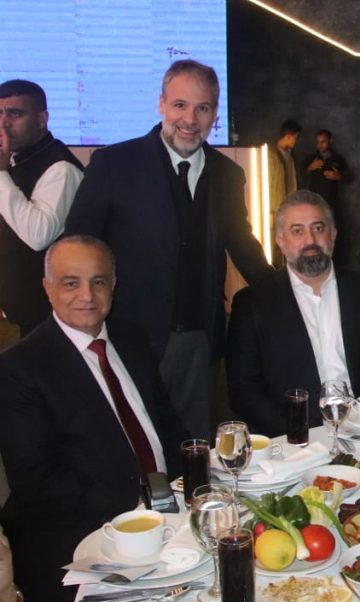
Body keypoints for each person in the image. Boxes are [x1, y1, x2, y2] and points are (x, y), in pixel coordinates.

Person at [65, 59, 273, 439]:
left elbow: (241, 242)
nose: (190, 119)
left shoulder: (228, 174)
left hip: (198, 337)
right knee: (129, 438)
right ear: (161, 103)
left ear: (215, 113)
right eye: (180, 105)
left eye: (202, 107)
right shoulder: (114, 164)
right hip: (127, 331)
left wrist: (282, 290)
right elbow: (79, 243)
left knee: (192, 444)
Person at [0, 236, 187, 602]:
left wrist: (193, 483)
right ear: (47, 287)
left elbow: (167, 426)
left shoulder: (131, 340)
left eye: (98, 281)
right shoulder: (19, 369)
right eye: (71, 282)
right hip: (80, 541)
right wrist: (142, 505)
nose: (86, 295)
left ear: (113, 286)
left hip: (168, 518)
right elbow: (37, 482)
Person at [226, 190, 360, 436]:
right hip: (295, 438)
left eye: (318, 228)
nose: (310, 239)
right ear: (280, 240)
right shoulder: (253, 304)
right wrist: (301, 434)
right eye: (297, 231)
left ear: (333, 234)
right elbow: (244, 392)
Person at [0, 79, 84, 335]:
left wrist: (1, 174)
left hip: (43, 321)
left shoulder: (61, 169)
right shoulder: (15, 161)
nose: (4, 123)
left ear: (41, 119)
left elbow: (38, 236)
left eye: (15, 114)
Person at [268, 119, 302, 266]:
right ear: (288, 136)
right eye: (295, 137)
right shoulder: (270, 155)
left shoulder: (289, 156)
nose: (296, 141)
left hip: (287, 207)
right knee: (273, 244)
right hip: (274, 208)